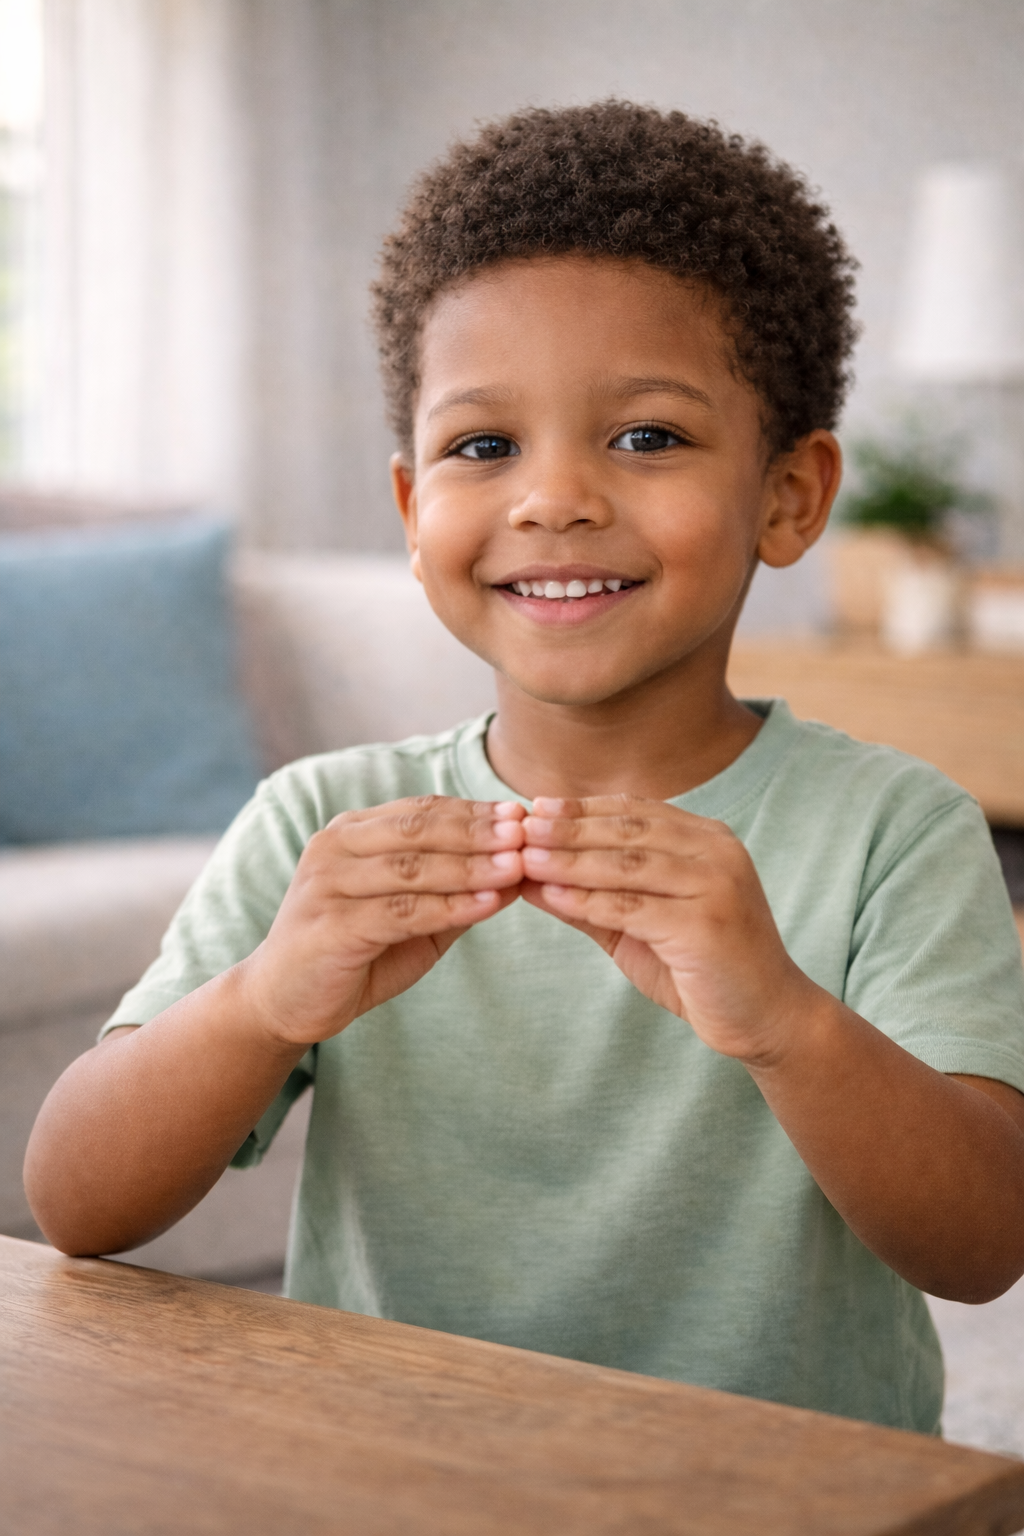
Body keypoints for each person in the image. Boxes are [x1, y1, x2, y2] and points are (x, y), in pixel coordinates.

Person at [24, 102, 1024, 1433]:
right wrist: (267, 999)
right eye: (484, 446)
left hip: (784, 1502)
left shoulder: (896, 828)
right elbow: (76, 1206)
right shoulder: (321, 825)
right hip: (401, 1488)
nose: (553, 498)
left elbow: (979, 1247)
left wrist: (782, 1018)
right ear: (411, 507)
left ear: (789, 497)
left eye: (649, 435)